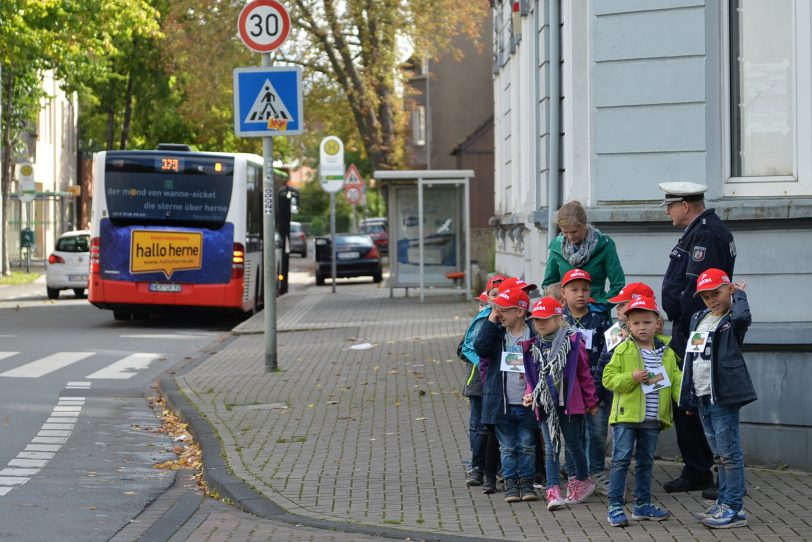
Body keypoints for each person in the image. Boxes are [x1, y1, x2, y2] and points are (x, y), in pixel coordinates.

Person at [659, 181, 736, 497]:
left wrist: (681, 315)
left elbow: (701, 291)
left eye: (670, 205)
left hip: (696, 333)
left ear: (685, 205)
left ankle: (718, 476)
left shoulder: (706, 234)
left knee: (703, 403)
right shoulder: (700, 231)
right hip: (689, 331)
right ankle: (697, 469)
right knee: (686, 400)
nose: (667, 211)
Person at [680, 269, 756, 529]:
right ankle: (724, 502)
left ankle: (734, 508)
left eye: (717, 294)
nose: (712, 300)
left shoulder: (732, 319)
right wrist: (689, 397)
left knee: (729, 453)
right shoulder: (699, 317)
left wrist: (741, 294)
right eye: (706, 296)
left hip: (723, 395)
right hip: (702, 395)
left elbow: (744, 316)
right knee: (719, 455)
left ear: (729, 291)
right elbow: (692, 356)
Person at [602, 296, 683, 527]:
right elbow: (608, 379)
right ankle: (615, 506)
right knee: (621, 460)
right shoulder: (623, 348)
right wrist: (631, 378)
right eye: (636, 323)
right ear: (628, 325)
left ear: (657, 322)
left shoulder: (666, 351)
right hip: (626, 417)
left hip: (652, 418)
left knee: (646, 462)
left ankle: (642, 505)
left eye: (646, 322)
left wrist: (685, 402)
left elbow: (676, 379)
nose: (642, 327)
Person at [521, 297, 598, 511]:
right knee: (551, 447)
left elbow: (584, 374)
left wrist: (592, 402)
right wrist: (529, 394)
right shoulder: (533, 346)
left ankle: (584, 479)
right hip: (546, 405)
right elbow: (532, 379)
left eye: (545, 319)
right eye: (536, 320)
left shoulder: (573, 342)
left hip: (569, 404)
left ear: (558, 318)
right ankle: (553, 489)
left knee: (573, 444)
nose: (540, 324)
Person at [474, 287, 538, 503]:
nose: (499, 313)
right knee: (508, 446)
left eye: (503, 310)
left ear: (520, 312)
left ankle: (527, 482)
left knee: (527, 445)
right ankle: (511, 483)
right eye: (496, 309)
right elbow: (480, 347)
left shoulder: (534, 333)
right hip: (502, 402)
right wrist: (491, 321)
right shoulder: (497, 334)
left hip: (527, 401)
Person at [559, 269, 612, 495]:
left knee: (597, 432)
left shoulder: (599, 320)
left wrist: (600, 386)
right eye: (574, 290)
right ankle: (574, 474)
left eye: (585, 289)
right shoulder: (558, 320)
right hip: (568, 389)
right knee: (573, 434)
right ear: (563, 293)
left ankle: (597, 471)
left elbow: (607, 353)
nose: (580, 294)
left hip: (595, 388)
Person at [458, 275, 505, 487]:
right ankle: (477, 465)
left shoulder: (510, 317)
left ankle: (496, 465)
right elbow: (467, 347)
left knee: (495, 423)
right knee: (478, 423)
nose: (498, 298)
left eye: (503, 293)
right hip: (478, 380)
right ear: (486, 298)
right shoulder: (482, 318)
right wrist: (485, 362)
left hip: (498, 380)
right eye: (494, 294)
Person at [542, 201, 626, 309]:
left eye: (574, 231)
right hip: (565, 315)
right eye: (565, 232)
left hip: (597, 315)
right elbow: (548, 285)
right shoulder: (557, 247)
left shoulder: (605, 244)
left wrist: (600, 306)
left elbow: (618, 285)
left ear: (584, 225)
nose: (570, 237)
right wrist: (559, 306)